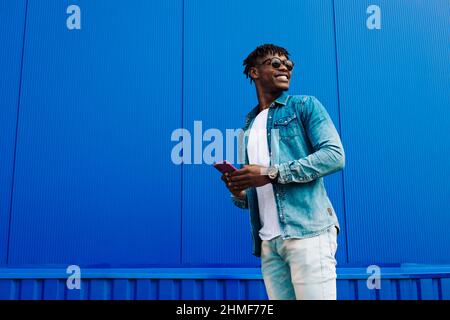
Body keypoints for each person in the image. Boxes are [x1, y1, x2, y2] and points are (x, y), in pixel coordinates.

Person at [221, 44, 345, 300]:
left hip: (307, 234)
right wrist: (241, 191)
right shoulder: (249, 126)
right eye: (275, 63)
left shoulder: (304, 106)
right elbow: (262, 191)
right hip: (269, 242)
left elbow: (334, 156)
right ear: (254, 72)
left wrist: (270, 173)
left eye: (288, 64)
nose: (285, 67)